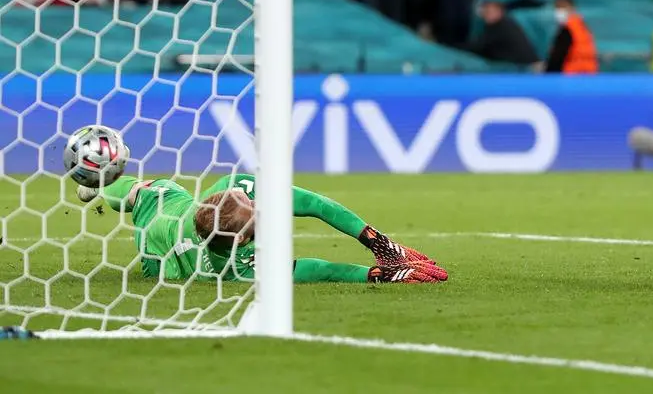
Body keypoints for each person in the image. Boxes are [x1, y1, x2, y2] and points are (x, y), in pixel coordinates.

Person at [79, 173, 447, 283]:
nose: (258, 204)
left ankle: (91, 183)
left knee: (136, 192)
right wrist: (375, 275)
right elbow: (309, 270)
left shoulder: (232, 190)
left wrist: (375, 241)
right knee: (159, 274)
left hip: (166, 207)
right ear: (241, 239)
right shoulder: (231, 267)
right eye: (256, 210)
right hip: (161, 255)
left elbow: (314, 204)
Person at [469, 0, 540, 67]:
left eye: (490, 12)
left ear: (500, 12)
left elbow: (479, 47)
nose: (486, 14)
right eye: (486, 11)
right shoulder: (506, 23)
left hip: (521, 67)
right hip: (520, 64)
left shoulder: (500, 27)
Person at [544, 0, 599, 74]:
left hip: (571, 73)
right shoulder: (581, 25)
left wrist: (547, 74)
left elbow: (558, 56)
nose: (559, 11)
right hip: (588, 73)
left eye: (562, 7)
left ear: (572, 8)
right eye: (557, 7)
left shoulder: (568, 29)